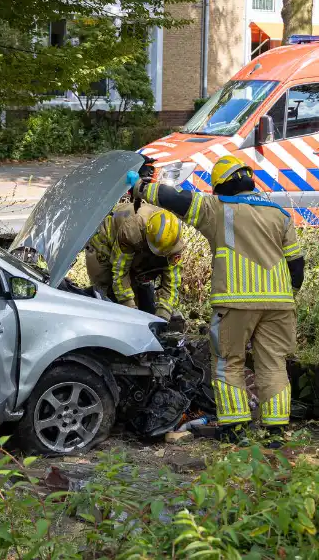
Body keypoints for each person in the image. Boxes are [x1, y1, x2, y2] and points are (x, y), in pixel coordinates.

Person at [129, 155, 304, 445]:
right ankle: (275, 431)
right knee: (273, 364)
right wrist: (286, 294)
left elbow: (176, 198)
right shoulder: (280, 214)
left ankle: (235, 427)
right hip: (280, 304)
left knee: (228, 362)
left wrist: (142, 187)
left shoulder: (218, 208)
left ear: (221, 186)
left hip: (235, 302)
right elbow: (296, 266)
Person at [84, 202, 185, 320]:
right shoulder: (131, 230)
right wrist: (128, 307)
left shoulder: (174, 243)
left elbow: (171, 284)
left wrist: (163, 314)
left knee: (136, 297)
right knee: (105, 296)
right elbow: (120, 271)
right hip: (104, 246)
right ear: (147, 233)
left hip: (136, 250)